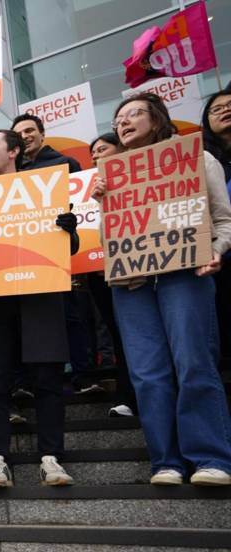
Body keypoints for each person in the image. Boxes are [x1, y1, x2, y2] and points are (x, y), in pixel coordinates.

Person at [91, 92, 231, 486]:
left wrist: (216, 250)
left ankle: (211, 458)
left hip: (186, 275)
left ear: (158, 119)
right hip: (132, 284)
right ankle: (165, 462)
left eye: (134, 113)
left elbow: (223, 220)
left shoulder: (198, 159)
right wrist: (106, 202)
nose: (124, 122)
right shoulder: (112, 174)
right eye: (119, 118)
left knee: (193, 362)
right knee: (148, 374)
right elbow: (111, 239)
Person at [0, 130, 79, 488]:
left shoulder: (45, 189)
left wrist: (69, 230)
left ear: (15, 151)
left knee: (47, 379)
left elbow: (66, 249)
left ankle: (51, 458)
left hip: (39, 299)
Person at [82, 133, 137, 418]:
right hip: (101, 270)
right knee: (118, 334)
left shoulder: (141, 175)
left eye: (102, 149)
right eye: (92, 154)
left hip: (141, 266)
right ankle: (128, 395)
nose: (96, 156)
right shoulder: (88, 187)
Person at [202, 87, 231, 369]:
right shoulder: (205, 159)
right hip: (216, 259)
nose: (225, 110)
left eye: (230, 105)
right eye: (217, 108)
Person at [11, 113, 83, 172]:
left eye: (29, 130)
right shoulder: (13, 171)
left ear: (42, 134)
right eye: (18, 135)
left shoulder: (66, 163)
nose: (24, 136)